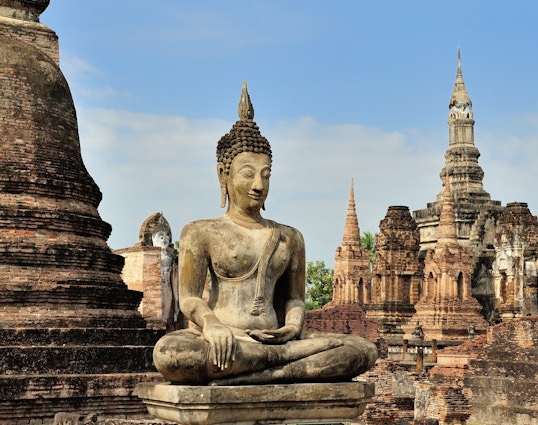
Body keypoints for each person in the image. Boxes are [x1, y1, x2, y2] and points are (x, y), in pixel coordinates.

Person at [152, 83, 377, 385]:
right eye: (248, 173)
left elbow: (295, 300)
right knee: (171, 353)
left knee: (360, 350)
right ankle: (277, 368)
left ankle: (268, 368)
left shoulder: (289, 237)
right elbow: (190, 299)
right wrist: (211, 325)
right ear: (224, 174)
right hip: (227, 341)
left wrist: (292, 328)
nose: (258, 184)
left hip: (278, 342)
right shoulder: (201, 232)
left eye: (266, 175)